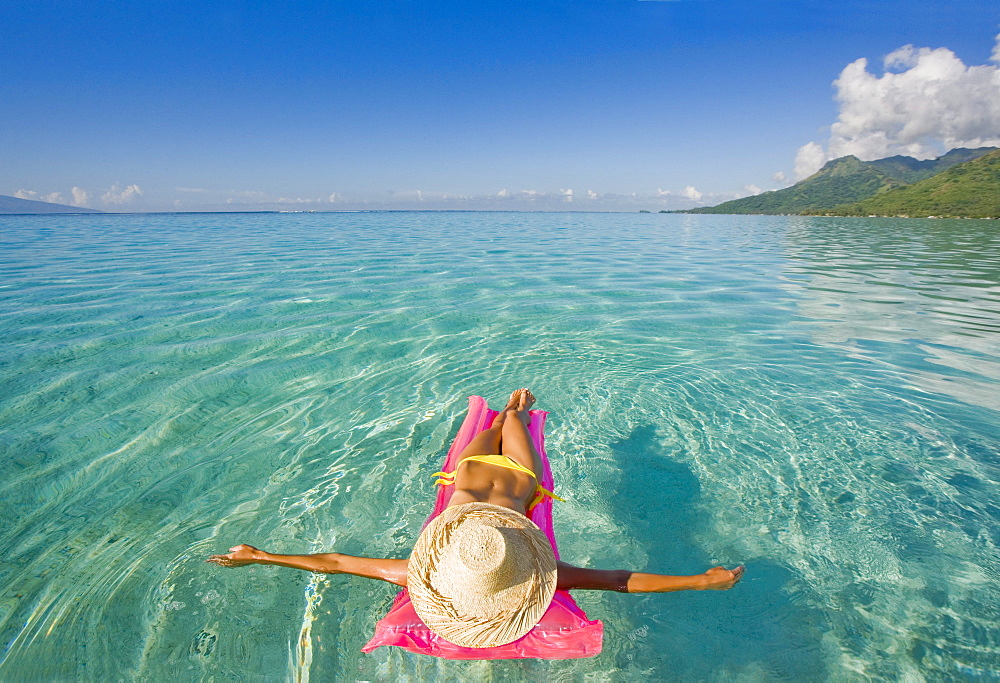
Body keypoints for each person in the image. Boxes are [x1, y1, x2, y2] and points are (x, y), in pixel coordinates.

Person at [209, 389, 743, 648]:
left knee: (500, 421)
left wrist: (263, 556)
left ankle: (512, 407)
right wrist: (700, 580)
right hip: (501, 476)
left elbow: (334, 562)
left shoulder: (425, 566)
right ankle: (517, 407)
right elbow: (619, 581)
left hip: (484, 472)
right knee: (513, 422)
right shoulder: (542, 572)